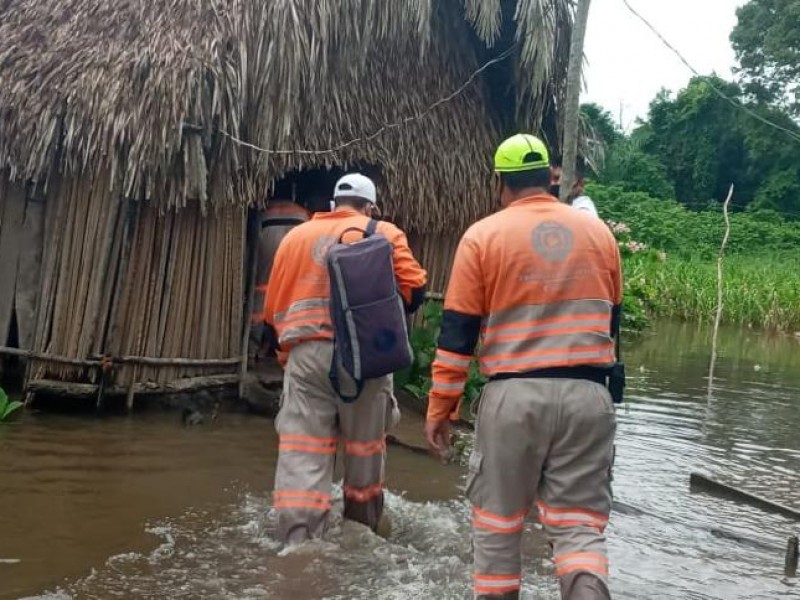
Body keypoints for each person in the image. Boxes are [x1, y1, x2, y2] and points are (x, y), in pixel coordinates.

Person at [425, 134, 622, 599]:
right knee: (579, 531)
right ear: (551, 179)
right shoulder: (600, 235)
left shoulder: (483, 236)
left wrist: (441, 408)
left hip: (513, 396)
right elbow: (612, 324)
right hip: (589, 395)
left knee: (497, 527)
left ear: (501, 182)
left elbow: (457, 339)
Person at [264, 173, 427, 544]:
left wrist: (286, 358)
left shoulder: (295, 237)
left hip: (306, 357)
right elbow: (415, 291)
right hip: (366, 357)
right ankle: (362, 531)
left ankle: (298, 543)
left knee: (302, 453)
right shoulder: (383, 231)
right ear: (369, 206)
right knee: (364, 449)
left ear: (333, 204)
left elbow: (273, 312)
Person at [250, 182, 310, 360]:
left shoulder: (262, 212)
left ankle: (253, 349)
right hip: (296, 243)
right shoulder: (303, 213)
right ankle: (285, 351)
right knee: (291, 299)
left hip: (266, 242)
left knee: (260, 299)